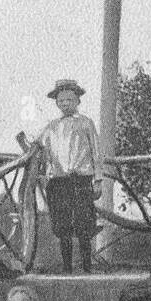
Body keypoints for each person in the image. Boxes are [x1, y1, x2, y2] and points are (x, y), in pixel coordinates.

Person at [37, 78, 102, 275]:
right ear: (57, 102)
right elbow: (39, 149)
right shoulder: (51, 127)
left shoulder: (86, 123)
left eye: (70, 100)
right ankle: (67, 267)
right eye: (62, 100)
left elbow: (97, 152)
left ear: (77, 101)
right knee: (62, 224)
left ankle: (87, 266)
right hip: (58, 181)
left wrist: (98, 180)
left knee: (83, 223)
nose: (66, 104)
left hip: (81, 180)